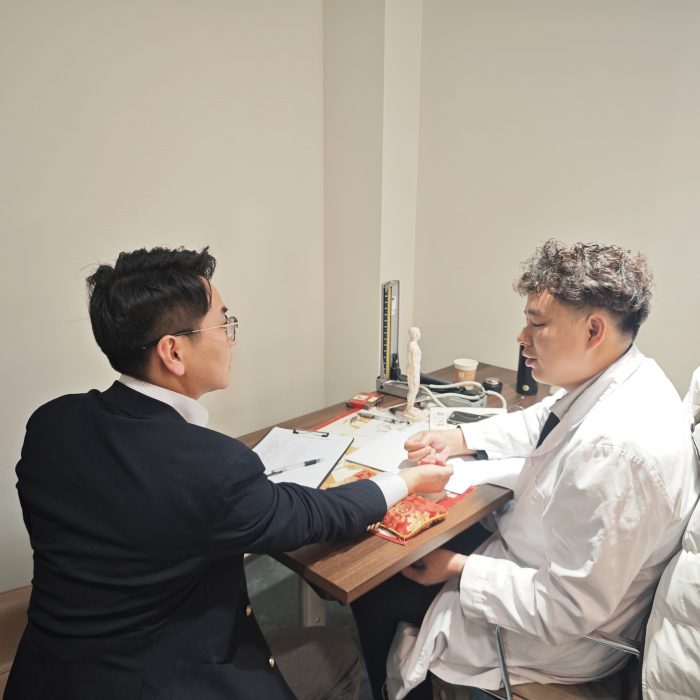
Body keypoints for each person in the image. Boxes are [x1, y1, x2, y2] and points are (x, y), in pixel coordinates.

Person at [6, 246, 453, 700]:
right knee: (333, 653)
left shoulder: (51, 423)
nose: (231, 339)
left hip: (46, 677)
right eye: (223, 324)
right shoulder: (211, 467)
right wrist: (407, 480)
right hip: (164, 683)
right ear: (173, 351)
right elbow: (313, 517)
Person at [351, 239, 700, 699]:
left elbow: (565, 609)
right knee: (428, 536)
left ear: (593, 330)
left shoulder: (616, 452)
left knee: (376, 591)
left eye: (537, 324)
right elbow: (545, 418)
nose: (521, 337)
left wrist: (456, 568)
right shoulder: (630, 377)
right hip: (546, 566)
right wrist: (459, 439)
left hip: (562, 637)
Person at [404, 327, 422, 420]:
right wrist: (414, 376)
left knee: (415, 390)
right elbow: (414, 362)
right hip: (413, 371)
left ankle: (410, 407)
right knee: (413, 390)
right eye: (412, 334)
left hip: (415, 370)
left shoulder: (413, 344)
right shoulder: (412, 346)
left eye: (416, 333)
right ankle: (409, 409)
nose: (414, 335)